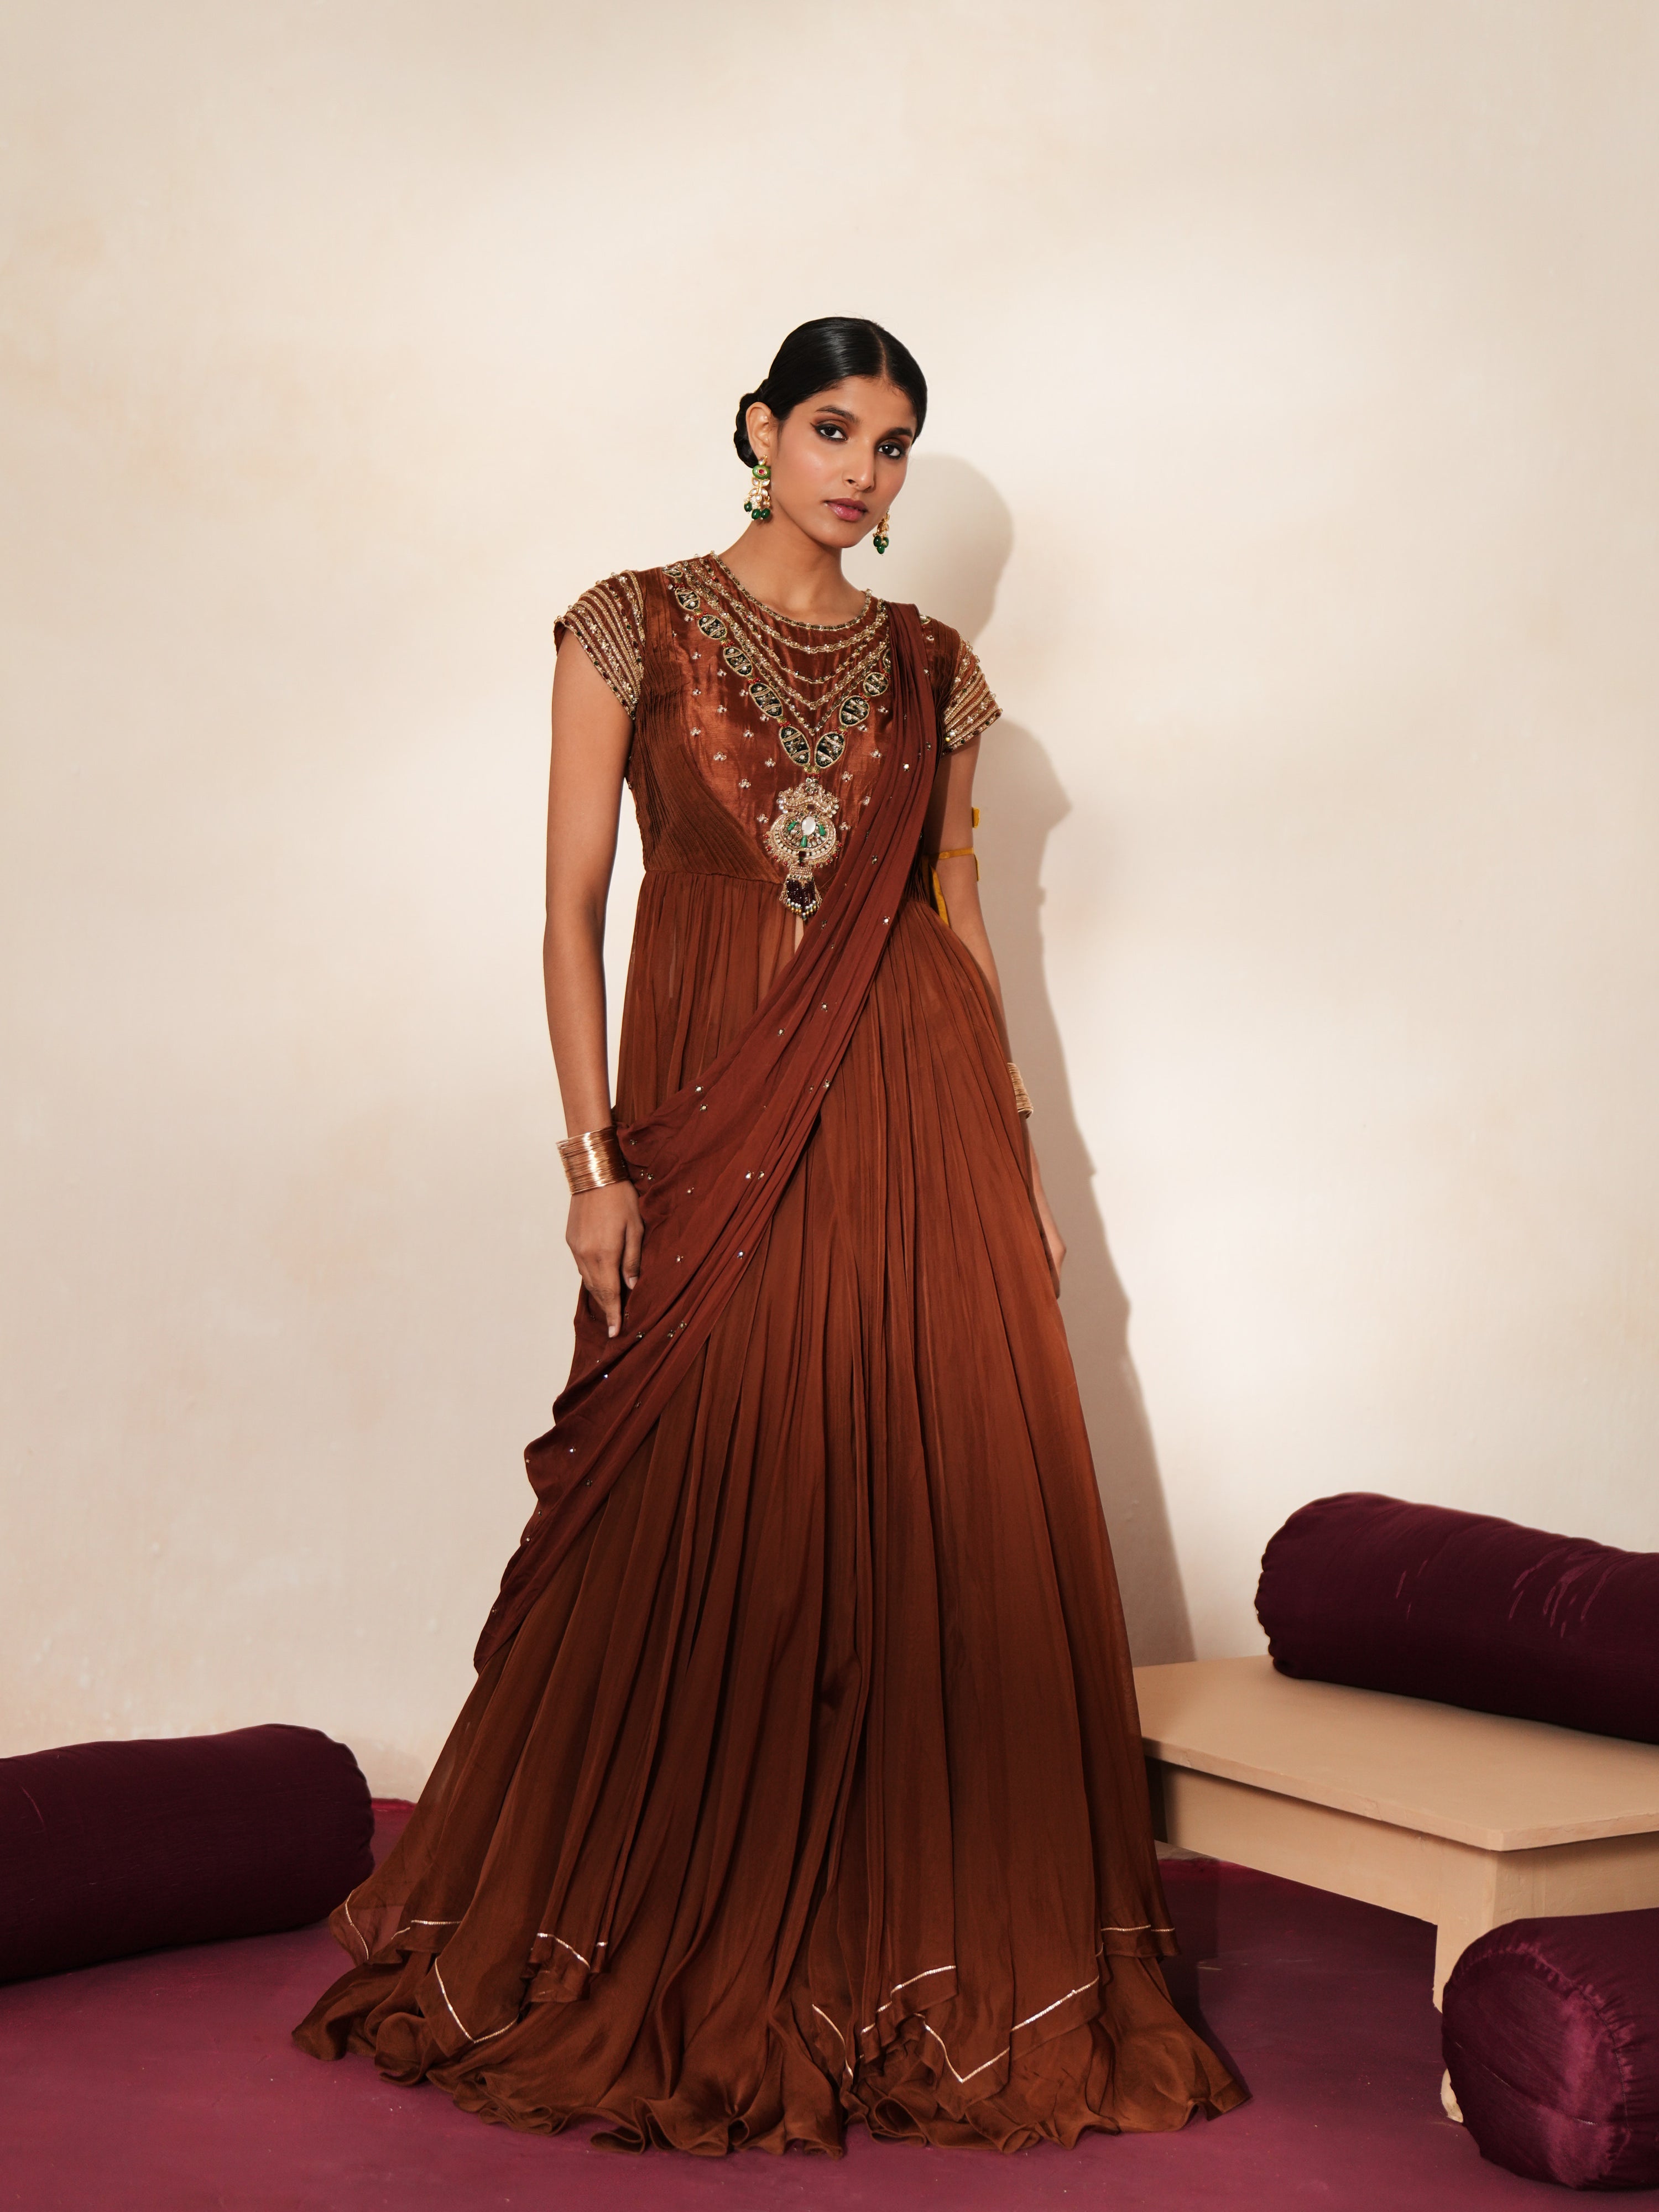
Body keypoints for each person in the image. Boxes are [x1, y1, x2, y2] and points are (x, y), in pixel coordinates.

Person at [294, 316, 1243, 2155]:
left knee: (917, 1491)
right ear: (757, 427)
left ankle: (898, 1961)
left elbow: (957, 920)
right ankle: (647, 1927)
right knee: (707, 1477)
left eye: (891, 446)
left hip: (915, 1106)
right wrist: (590, 1158)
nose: (861, 472)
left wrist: (1024, 1166)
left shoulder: (932, 669)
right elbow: (572, 909)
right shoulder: (625, 624)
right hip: (709, 1103)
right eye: (832, 428)